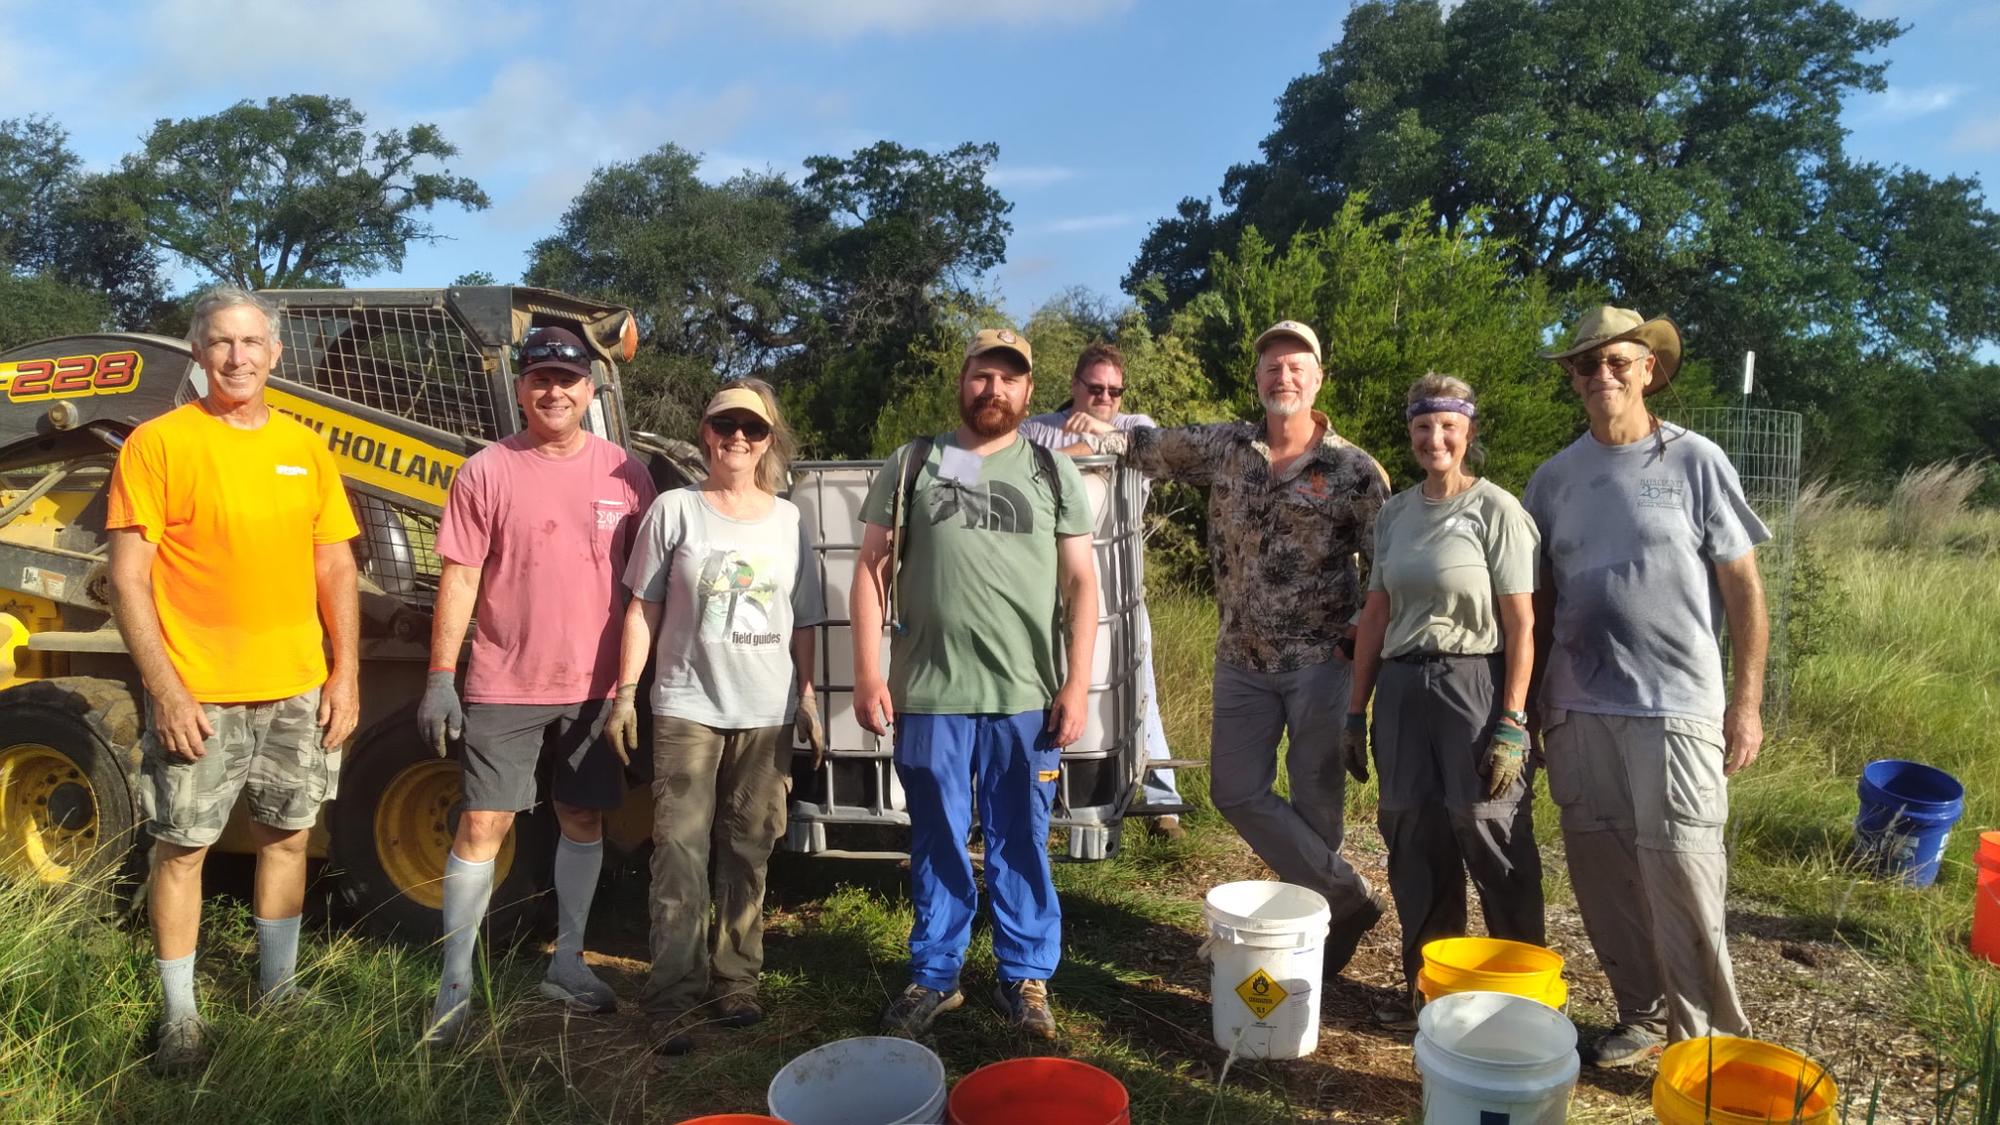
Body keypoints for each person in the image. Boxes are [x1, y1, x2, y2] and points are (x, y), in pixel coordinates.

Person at [106, 286, 361, 1074]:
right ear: (196, 352)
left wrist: (345, 671)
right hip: (201, 694)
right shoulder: (157, 444)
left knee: (288, 838)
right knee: (182, 847)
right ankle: (181, 1016)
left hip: (296, 687)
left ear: (276, 354)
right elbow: (126, 578)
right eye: (222, 342)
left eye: (253, 342)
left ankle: (276, 991)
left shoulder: (306, 447)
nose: (238, 356)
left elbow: (334, 563)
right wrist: (168, 689)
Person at [1102, 319, 1391, 976]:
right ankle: (1345, 895)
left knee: (1318, 806)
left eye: (1296, 367)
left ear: (1317, 379)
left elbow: (1388, 567)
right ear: (1257, 378)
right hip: (1241, 659)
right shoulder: (1225, 447)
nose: (1282, 377)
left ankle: (1314, 934)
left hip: (1322, 663)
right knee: (1235, 789)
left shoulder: (1353, 470)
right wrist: (1073, 430)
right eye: (1271, 367)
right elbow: (1142, 446)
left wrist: (1358, 636)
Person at [1525, 306, 1769, 1067]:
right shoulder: (1554, 479)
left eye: (1618, 362)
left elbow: (1744, 590)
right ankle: (1639, 1012)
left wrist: (1746, 702)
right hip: (1577, 707)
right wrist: (1533, 705)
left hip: (1676, 706)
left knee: (1686, 873)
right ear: (1571, 377)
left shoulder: (1695, 460)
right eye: (1587, 364)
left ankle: (1706, 1048)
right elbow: (1539, 601)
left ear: (1648, 368)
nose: (1603, 375)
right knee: (1603, 878)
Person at [851, 328, 1098, 1041]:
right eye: (982, 376)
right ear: (962, 381)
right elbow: (872, 569)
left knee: (1021, 834)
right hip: (931, 692)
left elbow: (1082, 583)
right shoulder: (918, 463)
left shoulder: (1053, 473)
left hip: (1026, 695)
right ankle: (935, 974)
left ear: (1029, 391)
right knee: (936, 835)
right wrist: (869, 671)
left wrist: (1077, 683)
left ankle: (1025, 976)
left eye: (1010, 379)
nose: (995, 390)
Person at [418, 325, 656, 1045]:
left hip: (596, 688)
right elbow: (460, 575)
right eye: (540, 378)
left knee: (584, 819)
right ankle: (453, 986)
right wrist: (439, 674)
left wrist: (635, 684)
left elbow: (647, 586)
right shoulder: (486, 470)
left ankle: (570, 961)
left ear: (590, 391)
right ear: (520, 387)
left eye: (568, 379)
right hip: (503, 681)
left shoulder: (626, 473)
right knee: (482, 824)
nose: (554, 390)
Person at [612, 381, 825, 1055]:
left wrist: (810, 697)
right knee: (678, 851)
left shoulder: (790, 521)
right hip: (687, 708)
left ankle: (736, 978)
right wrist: (625, 692)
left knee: (749, 848)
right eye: (725, 425)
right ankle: (671, 995)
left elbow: (804, 618)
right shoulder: (676, 511)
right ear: (705, 432)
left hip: (764, 713)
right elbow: (642, 607)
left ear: (768, 440)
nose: (738, 437)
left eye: (752, 429)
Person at [1343, 373, 1545, 1030]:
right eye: (1424, 426)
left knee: (1487, 826)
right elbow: (1375, 615)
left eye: (1449, 426)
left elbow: (1522, 624)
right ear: (1411, 433)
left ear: (1468, 433)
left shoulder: (1497, 511)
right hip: (1403, 689)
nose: (1436, 438)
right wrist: (1355, 709)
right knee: (1412, 834)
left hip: (1474, 683)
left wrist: (1513, 720)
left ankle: (1519, 998)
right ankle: (1431, 993)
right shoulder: (1396, 514)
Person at [1019, 342, 1185, 839]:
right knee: (1053, 689)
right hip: (1048, 583)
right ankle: (1049, 799)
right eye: (1095, 389)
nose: (1106, 398)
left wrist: (1097, 441)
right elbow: (1018, 467)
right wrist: (1086, 449)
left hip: (1119, 584)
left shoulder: (1134, 425)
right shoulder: (1034, 428)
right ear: (1074, 386)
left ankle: (1162, 801)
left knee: (1138, 688)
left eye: (1114, 390)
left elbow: (1147, 451)